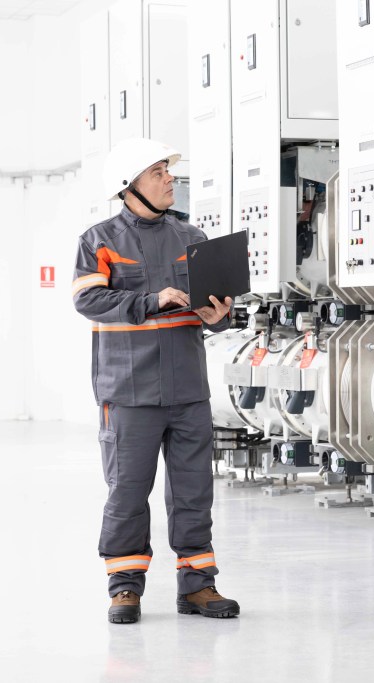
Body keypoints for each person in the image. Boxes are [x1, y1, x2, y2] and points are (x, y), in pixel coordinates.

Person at [71, 137, 239, 624]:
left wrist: (220, 315)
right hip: (128, 391)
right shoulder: (98, 240)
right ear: (129, 187)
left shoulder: (194, 238)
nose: (169, 179)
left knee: (194, 491)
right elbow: (88, 301)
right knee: (127, 491)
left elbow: (219, 309)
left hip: (188, 389)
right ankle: (124, 587)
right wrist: (149, 301)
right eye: (158, 172)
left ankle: (199, 585)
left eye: (168, 171)